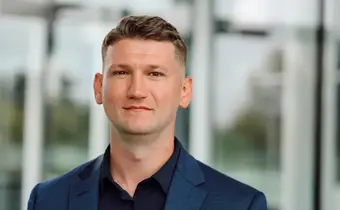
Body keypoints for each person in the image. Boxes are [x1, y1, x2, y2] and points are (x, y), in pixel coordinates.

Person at [27, 15, 267, 210]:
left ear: (184, 91)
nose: (137, 90)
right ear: (99, 88)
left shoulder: (240, 205)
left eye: (155, 74)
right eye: (122, 72)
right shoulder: (48, 200)